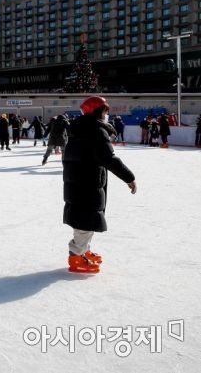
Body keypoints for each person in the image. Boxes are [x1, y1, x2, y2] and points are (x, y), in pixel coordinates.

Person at [62, 96, 137, 273]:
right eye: (105, 110)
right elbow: (109, 159)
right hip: (87, 182)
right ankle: (76, 257)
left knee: (85, 219)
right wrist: (129, 177)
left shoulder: (79, 127)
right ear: (97, 111)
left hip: (79, 181)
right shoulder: (95, 130)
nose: (107, 114)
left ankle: (83, 251)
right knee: (86, 221)